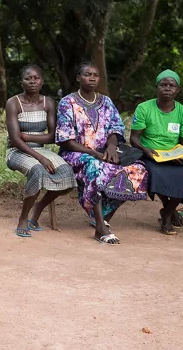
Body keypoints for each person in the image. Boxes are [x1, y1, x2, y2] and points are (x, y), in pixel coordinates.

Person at [56, 62, 149, 244]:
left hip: (105, 152)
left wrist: (112, 147)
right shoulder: (67, 102)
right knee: (95, 167)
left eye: (95, 75)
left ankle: (102, 216)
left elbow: (115, 128)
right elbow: (66, 139)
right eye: (87, 74)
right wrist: (94, 153)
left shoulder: (106, 101)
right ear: (78, 78)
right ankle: (100, 227)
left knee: (138, 169)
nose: (92, 78)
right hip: (75, 153)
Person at [5, 64, 77, 237]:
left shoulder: (48, 103)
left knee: (68, 173)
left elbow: (53, 136)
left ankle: (38, 207)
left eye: (36, 78)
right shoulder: (13, 103)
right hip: (16, 151)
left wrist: (29, 138)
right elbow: (15, 139)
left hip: (39, 149)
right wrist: (40, 158)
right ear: (21, 82)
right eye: (28, 78)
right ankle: (23, 218)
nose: (32, 81)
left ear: (42, 81)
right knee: (38, 171)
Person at [129, 70, 183, 235]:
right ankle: (168, 216)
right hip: (149, 153)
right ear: (157, 87)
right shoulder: (144, 108)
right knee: (158, 172)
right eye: (163, 85)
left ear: (178, 90)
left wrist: (181, 155)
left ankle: (167, 210)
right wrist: (145, 149)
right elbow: (134, 138)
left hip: (173, 155)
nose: (167, 88)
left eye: (171, 85)